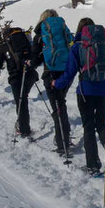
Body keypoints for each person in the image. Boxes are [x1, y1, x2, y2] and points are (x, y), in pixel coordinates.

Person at [53, 18, 105, 175]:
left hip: (86, 92)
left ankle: (92, 166)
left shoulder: (77, 47)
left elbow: (69, 73)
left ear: (80, 30)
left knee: (88, 127)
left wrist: (56, 84)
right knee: (102, 124)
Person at [0, 26, 39, 137]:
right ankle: (24, 126)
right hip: (31, 75)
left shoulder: (5, 47)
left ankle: (24, 130)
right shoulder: (26, 42)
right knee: (23, 98)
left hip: (16, 78)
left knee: (21, 102)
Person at [31, 9, 73, 156]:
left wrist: (31, 63)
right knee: (61, 103)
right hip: (67, 73)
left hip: (51, 73)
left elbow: (35, 57)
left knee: (58, 108)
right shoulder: (62, 29)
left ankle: (63, 144)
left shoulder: (41, 34)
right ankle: (64, 137)